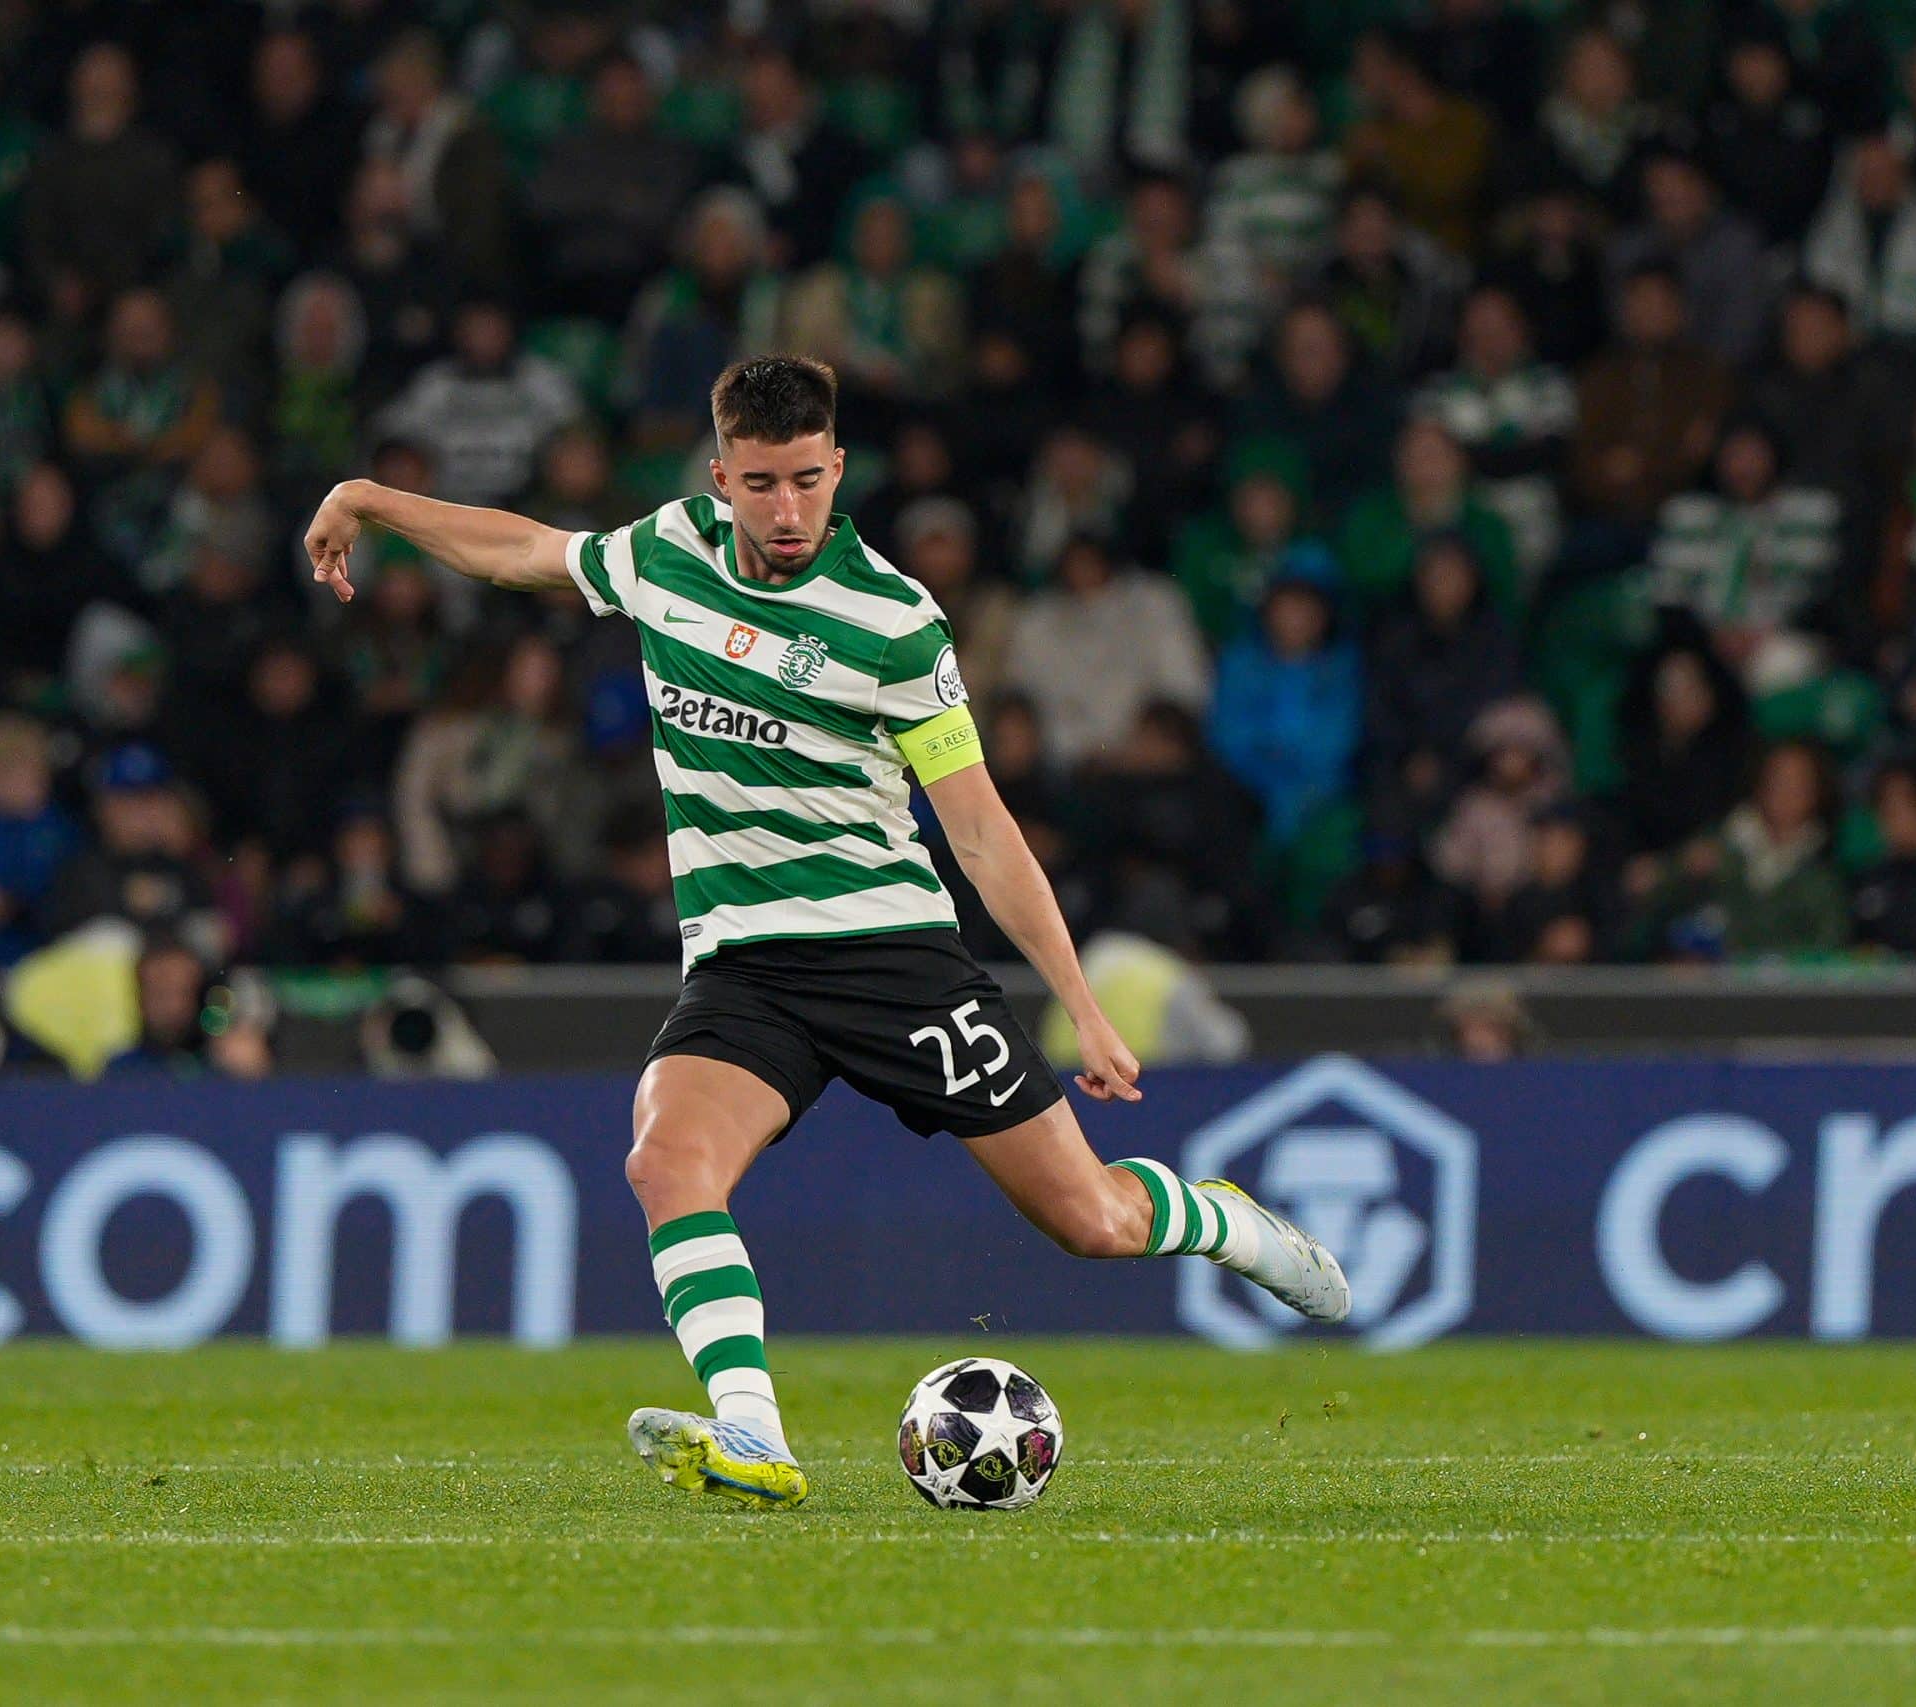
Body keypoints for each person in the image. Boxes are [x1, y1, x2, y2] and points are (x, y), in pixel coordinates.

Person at [304, 355, 1350, 1510]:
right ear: (721, 477)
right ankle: (752, 1433)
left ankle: (1231, 1225)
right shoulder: (663, 554)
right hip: (743, 966)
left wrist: (1083, 1008)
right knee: (665, 1160)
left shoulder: (895, 625)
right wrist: (370, 500)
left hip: (892, 955)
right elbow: (521, 551)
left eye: (808, 479)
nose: (788, 510)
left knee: (1092, 1221)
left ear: (839, 466)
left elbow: (984, 833)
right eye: (760, 484)